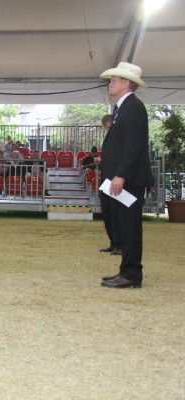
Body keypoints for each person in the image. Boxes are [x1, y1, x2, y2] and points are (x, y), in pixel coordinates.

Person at [98, 62, 153, 288]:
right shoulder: (123, 108)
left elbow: (134, 146)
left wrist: (121, 175)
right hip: (122, 178)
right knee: (124, 224)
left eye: (114, 80)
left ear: (126, 83)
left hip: (128, 180)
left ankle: (131, 274)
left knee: (130, 226)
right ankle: (126, 270)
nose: (110, 83)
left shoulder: (133, 107)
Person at [98, 114, 122, 255]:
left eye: (108, 127)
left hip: (114, 180)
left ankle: (120, 244)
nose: (107, 129)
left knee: (115, 213)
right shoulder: (109, 138)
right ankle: (113, 242)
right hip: (106, 180)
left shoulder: (120, 138)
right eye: (106, 128)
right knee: (107, 213)